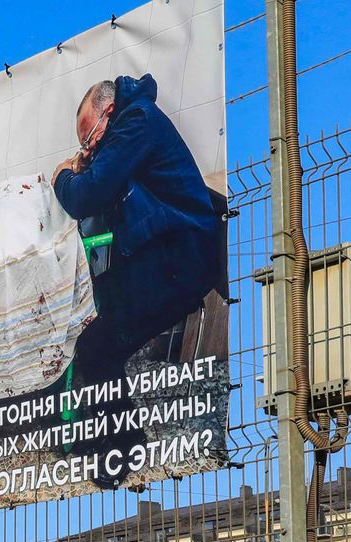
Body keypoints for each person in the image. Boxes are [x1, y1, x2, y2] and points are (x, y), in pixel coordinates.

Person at [50, 74, 229, 485]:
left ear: (108, 112)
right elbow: (105, 176)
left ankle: (123, 448)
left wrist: (63, 174)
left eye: (89, 136)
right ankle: (109, 430)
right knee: (101, 319)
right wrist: (88, 164)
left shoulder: (138, 122)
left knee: (96, 348)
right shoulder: (132, 122)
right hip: (160, 248)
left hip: (179, 260)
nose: (88, 147)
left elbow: (85, 197)